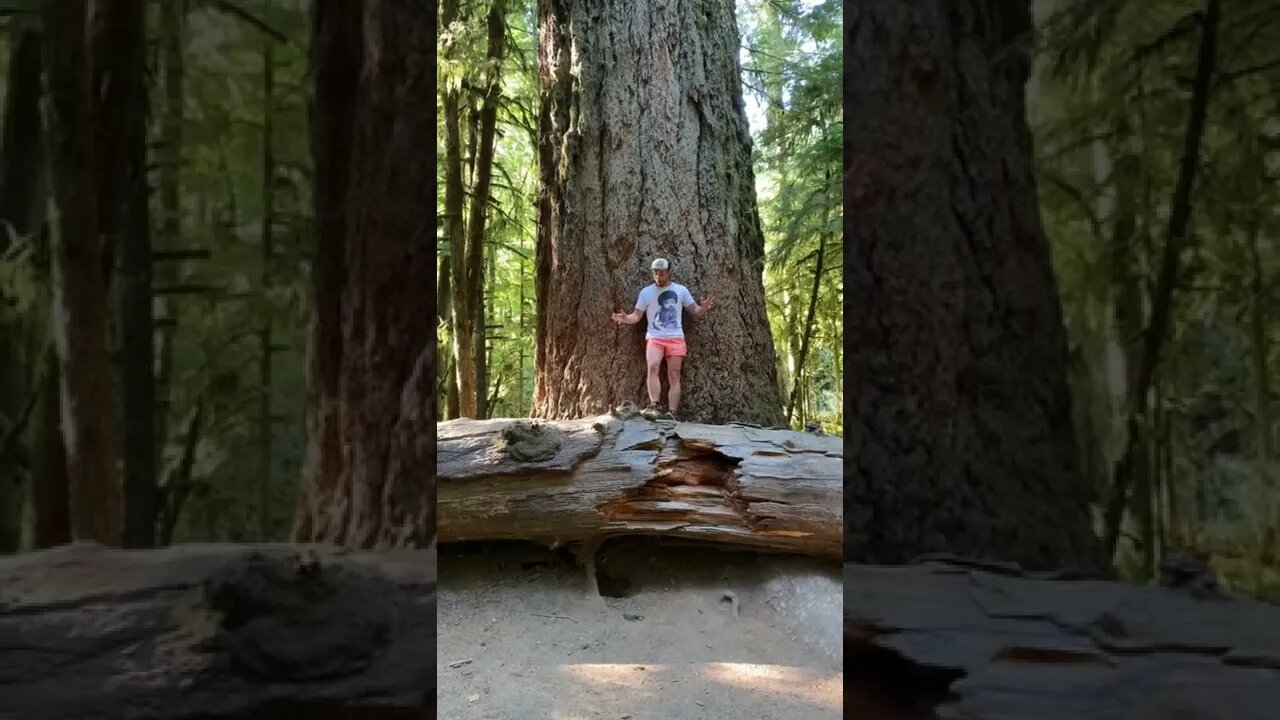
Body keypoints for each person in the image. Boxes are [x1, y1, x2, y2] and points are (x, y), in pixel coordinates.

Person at [611, 258, 715, 420]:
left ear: (669, 273)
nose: (658, 277)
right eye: (656, 273)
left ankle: (672, 412)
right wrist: (625, 318)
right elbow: (636, 316)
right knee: (653, 367)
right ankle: (654, 405)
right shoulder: (646, 292)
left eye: (662, 273)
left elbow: (694, 310)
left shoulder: (681, 290)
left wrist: (704, 308)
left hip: (676, 339)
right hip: (655, 337)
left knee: (674, 375)